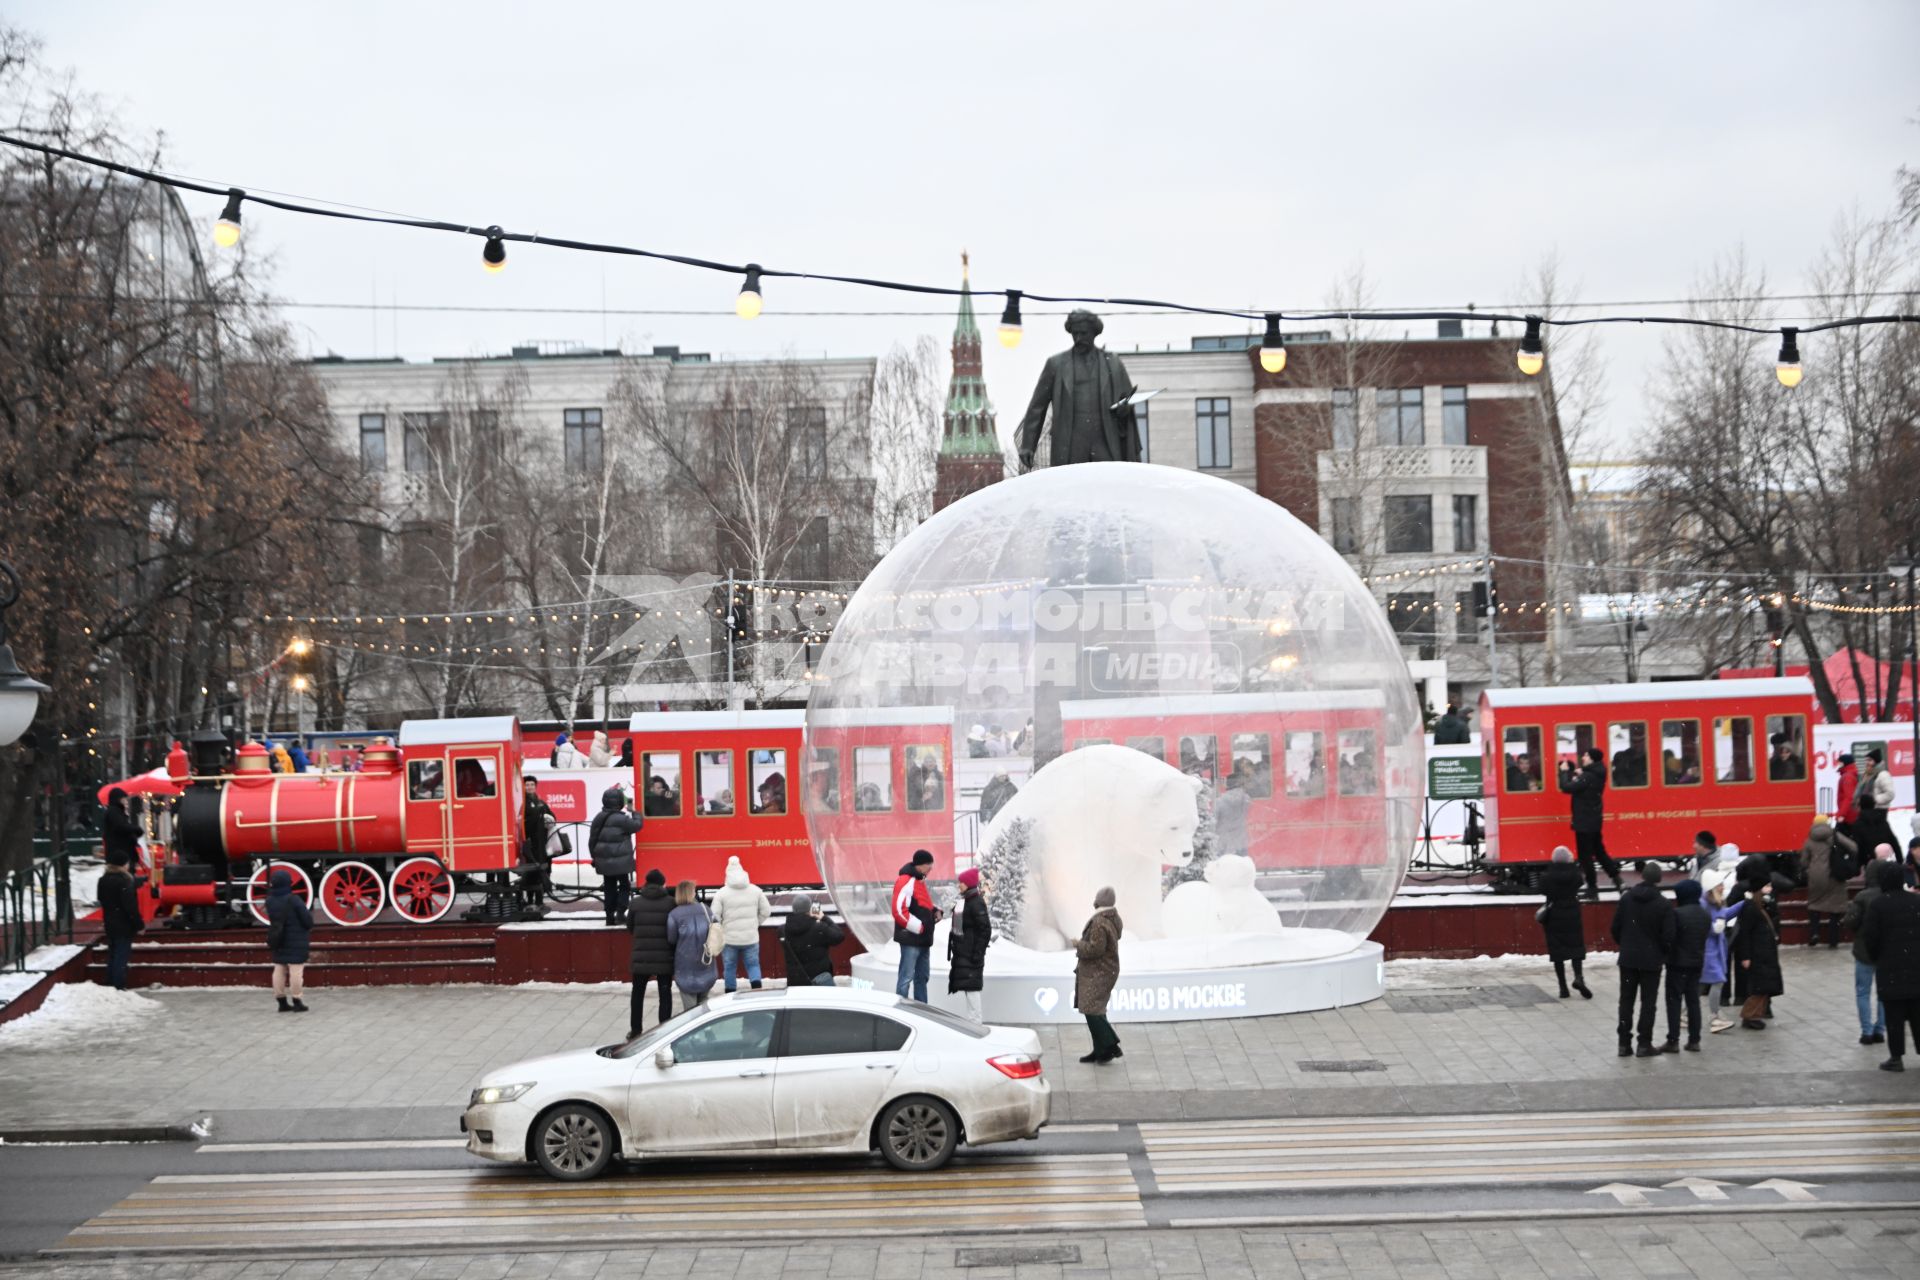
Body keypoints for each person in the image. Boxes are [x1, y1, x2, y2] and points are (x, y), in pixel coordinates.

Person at [1859, 860, 1920, 1072]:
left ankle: (1896, 1057)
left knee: (1894, 1016)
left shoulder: (1878, 905)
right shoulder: (1915, 901)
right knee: (1917, 1013)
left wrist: (1878, 957)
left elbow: (1870, 937)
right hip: (1916, 970)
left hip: (1890, 970)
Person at [1610, 860, 1675, 1057]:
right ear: (1659, 879)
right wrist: (1660, 952)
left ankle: (1623, 1043)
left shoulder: (1627, 898)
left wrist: (1627, 944)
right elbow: (1669, 936)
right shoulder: (1663, 904)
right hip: (1651, 961)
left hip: (1628, 959)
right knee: (1648, 1002)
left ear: (1642, 876)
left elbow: (1615, 928)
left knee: (1626, 1000)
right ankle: (1644, 1043)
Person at [1559, 747, 1621, 900]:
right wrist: (1581, 775)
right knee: (1599, 852)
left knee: (1585, 856)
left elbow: (1566, 788)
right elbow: (1585, 782)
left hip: (1584, 822)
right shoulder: (1596, 774)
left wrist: (1563, 772)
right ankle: (1618, 880)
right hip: (1593, 820)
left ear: (1592, 759)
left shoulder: (1588, 776)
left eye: (1586, 755)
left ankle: (1592, 888)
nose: (1583, 758)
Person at [1075, 887, 1125, 1063]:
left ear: (1098, 902)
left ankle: (1110, 1045)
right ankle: (1100, 1051)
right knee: (1097, 1010)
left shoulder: (1099, 922)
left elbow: (1095, 949)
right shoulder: (1111, 918)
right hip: (1106, 970)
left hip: (1098, 972)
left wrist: (1078, 945)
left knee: (1091, 1010)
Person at [1845, 856, 1891, 1046]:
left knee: (1863, 992)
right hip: (1885, 951)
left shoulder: (1862, 897)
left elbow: (1850, 922)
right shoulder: (1889, 895)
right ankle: (1880, 1029)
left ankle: (1866, 1031)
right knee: (1884, 993)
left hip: (1864, 950)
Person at [627, 869, 676, 1036]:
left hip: (642, 956)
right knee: (665, 992)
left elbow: (630, 928)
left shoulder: (635, 902)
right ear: (663, 883)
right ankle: (664, 1028)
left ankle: (635, 1029)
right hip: (664, 956)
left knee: (638, 993)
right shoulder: (671, 902)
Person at [711, 855, 771, 992]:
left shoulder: (721, 893)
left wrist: (723, 927)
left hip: (729, 939)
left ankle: (730, 994)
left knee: (730, 967)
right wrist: (756, 923)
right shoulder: (755, 890)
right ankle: (756, 991)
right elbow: (766, 911)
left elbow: (714, 915)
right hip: (750, 938)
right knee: (753, 965)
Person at [1537, 846, 1590, 999]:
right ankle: (1579, 977)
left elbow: (1542, 889)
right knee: (1576, 948)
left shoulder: (1546, 877)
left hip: (1554, 915)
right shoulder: (1575, 875)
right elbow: (1580, 882)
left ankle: (1563, 988)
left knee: (1557, 951)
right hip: (1572, 913)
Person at [1665, 878, 1710, 1052]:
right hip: (1696, 963)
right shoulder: (1704, 914)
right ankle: (1694, 1040)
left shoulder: (1677, 914)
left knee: (1674, 1001)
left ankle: (1673, 1040)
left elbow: (1670, 938)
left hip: (1676, 964)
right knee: (1693, 1002)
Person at [1731, 879, 1783, 1029]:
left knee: (1764, 986)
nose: (1770, 889)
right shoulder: (1750, 907)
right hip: (1758, 954)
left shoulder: (1761, 906)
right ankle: (1749, 1015)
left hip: (1764, 953)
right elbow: (1745, 933)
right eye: (1766, 886)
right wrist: (1745, 956)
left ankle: (1755, 1014)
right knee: (1760, 986)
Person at [1801, 818, 1858, 949]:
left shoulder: (1810, 839)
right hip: (1835, 874)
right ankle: (1833, 940)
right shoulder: (1835, 835)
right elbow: (1853, 847)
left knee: (1814, 904)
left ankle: (1814, 933)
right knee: (1835, 907)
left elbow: (1804, 862)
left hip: (1816, 876)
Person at [587, 786, 641, 926]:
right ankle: (621, 912)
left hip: (604, 861)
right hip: (621, 861)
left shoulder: (598, 817)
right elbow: (637, 825)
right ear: (620, 802)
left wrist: (595, 857)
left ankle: (609, 915)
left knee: (609, 886)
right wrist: (634, 811)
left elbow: (592, 840)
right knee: (624, 885)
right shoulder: (622, 819)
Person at [891, 850, 940, 1000]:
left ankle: (921, 1011)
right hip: (912, 939)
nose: (931, 869)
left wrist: (935, 912)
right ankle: (901, 1012)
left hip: (922, 939)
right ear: (920, 866)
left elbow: (922, 905)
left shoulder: (918, 880)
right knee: (906, 978)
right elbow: (898, 910)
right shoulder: (906, 880)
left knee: (921, 978)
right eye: (928, 866)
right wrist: (919, 927)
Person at [264, 867, 312, 1013]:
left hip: (279, 938)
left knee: (279, 968)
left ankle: (281, 1001)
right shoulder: (294, 899)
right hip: (296, 939)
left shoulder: (269, 901)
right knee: (296, 969)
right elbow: (307, 920)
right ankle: (297, 1000)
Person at [664, 880, 717, 1013]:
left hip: (685, 963)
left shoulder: (674, 914)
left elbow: (672, 939)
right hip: (706, 960)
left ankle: (694, 1029)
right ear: (691, 893)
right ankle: (706, 1028)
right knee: (704, 1002)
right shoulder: (706, 909)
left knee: (690, 1009)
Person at [1700, 870, 1743, 1033]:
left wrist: (1743, 904)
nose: (1723, 887)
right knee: (1717, 981)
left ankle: (1684, 1013)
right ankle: (1714, 1017)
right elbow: (1702, 924)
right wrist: (1713, 929)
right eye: (1720, 884)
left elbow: (1724, 915)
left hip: (1715, 948)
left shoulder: (1713, 901)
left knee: (1702, 983)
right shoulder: (1704, 904)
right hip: (1709, 950)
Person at [947, 868, 992, 1020]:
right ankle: (973, 1023)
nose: (959, 885)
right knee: (969, 988)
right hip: (964, 953)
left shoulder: (976, 902)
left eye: (962, 882)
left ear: (969, 884)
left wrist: (978, 952)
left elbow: (985, 929)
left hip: (971, 954)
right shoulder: (966, 900)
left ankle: (976, 1024)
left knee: (972, 990)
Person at [97, 851, 143, 991]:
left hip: (110, 921)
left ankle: (110, 982)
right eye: (127, 863)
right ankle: (118, 985)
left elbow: (101, 899)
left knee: (113, 953)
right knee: (121, 955)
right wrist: (139, 924)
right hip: (123, 923)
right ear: (122, 865)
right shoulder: (124, 881)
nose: (128, 866)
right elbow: (130, 906)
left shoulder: (103, 879)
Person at [780, 893, 844, 987]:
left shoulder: (782, 931)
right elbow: (839, 936)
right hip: (819, 981)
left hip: (795, 982)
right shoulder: (819, 928)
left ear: (793, 909)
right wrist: (824, 918)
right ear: (810, 909)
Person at [518, 779, 557, 914]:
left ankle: (539, 901)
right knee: (531, 872)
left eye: (532, 785)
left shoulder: (541, 802)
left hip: (542, 844)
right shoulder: (522, 804)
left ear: (535, 787)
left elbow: (552, 817)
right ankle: (530, 901)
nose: (529, 787)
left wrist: (547, 818)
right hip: (530, 844)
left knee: (542, 871)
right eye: (527, 785)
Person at [1853, 793, 1899, 876]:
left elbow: (1858, 847)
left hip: (1869, 865)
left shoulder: (1858, 824)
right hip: (1886, 863)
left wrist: (1857, 868)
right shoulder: (1882, 821)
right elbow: (1893, 840)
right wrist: (1900, 860)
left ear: (1861, 806)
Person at [101, 788, 141, 871]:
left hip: (122, 853)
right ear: (118, 799)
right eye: (124, 799)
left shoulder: (118, 812)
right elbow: (121, 827)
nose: (126, 802)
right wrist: (135, 829)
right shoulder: (113, 812)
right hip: (119, 855)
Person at [1214, 773, 1251, 859]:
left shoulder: (1219, 802)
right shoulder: (1246, 800)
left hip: (1223, 844)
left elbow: (1214, 821)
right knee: (1241, 868)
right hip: (1241, 843)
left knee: (1224, 869)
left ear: (1227, 785)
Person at [1835, 753, 1860, 841]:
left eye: (1839, 763)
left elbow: (1849, 797)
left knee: (1839, 841)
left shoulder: (1847, 777)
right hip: (1850, 815)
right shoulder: (1850, 775)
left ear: (1844, 763)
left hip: (1847, 817)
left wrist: (1841, 814)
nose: (1838, 765)